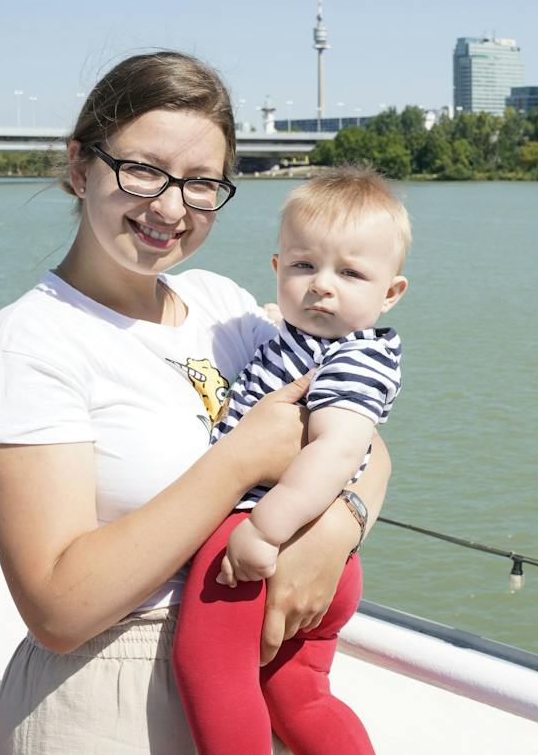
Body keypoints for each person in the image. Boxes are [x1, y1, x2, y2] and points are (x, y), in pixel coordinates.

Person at [0, 51, 390, 753]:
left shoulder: (221, 307)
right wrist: (240, 456)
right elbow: (59, 608)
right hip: (105, 694)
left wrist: (336, 530)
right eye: (143, 170)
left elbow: (365, 442)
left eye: (199, 183)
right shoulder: (29, 345)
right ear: (80, 166)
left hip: (244, 668)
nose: (168, 207)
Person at [173, 167, 410, 755]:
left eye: (351, 273)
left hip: (265, 534)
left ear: (391, 293)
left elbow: (340, 449)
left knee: (213, 675)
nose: (322, 286)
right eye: (304, 266)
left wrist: (264, 530)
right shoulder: (292, 339)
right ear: (277, 271)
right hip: (318, 550)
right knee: (298, 696)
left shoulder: (353, 359)